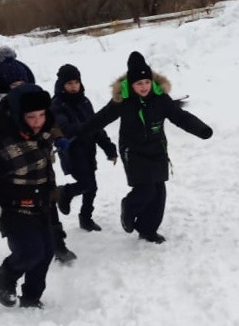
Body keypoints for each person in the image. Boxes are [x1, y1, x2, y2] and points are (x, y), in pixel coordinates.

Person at [84, 51, 213, 243]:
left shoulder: (161, 97)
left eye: (146, 82)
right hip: (133, 150)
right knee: (146, 190)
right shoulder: (122, 100)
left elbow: (179, 116)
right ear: (131, 84)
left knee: (159, 193)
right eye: (138, 83)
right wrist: (78, 133)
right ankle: (128, 207)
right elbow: (101, 118)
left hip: (157, 149)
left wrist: (201, 129)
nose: (144, 87)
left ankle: (147, 229)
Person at [0, 83, 56, 309]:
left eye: (42, 115)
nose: (38, 121)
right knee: (31, 251)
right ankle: (5, 275)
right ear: (18, 115)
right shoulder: (1, 144)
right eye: (31, 116)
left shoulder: (43, 134)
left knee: (46, 252)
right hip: (13, 209)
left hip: (42, 204)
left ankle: (32, 297)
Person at [0, 45, 76, 264]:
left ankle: (58, 245)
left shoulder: (33, 101)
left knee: (49, 206)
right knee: (27, 218)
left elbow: (48, 121)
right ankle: (26, 252)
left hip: (42, 169)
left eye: (22, 82)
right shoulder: (2, 111)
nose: (19, 86)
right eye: (15, 84)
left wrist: (59, 138)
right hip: (17, 175)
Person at [51, 64, 118, 232]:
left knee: (91, 186)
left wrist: (109, 148)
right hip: (72, 151)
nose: (73, 87)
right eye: (69, 83)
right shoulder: (57, 104)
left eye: (76, 82)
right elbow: (65, 128)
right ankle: (64, 192)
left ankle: (85, 218)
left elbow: (97, 127)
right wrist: (87, 127)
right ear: (62, 85)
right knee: (87, 184)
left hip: (88, 150)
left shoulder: (85, 101)